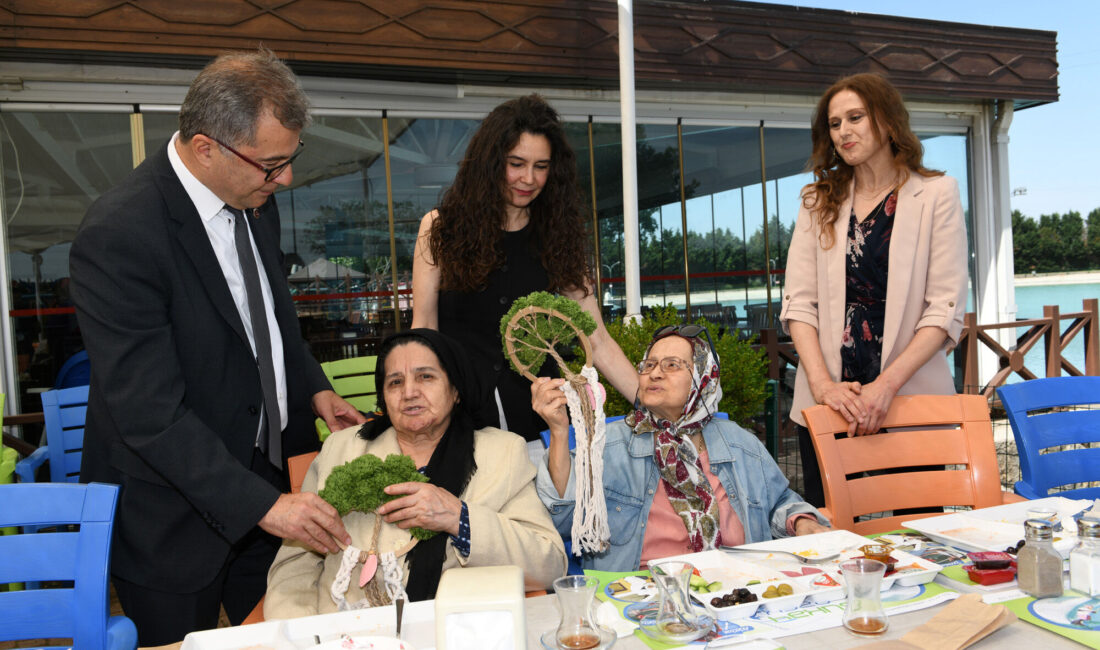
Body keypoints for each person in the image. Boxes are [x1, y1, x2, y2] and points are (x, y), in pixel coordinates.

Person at [69, 48, 366, 645]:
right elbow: (147, 414)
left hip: (265, 484)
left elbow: (271, 319)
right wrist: (265, 505)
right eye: (271, 164)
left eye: (289, 159)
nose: (284, 179)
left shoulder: (255, 198)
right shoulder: (118, 235)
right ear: (206, 148)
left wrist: (312, 388)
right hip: (170, 518)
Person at [264, 329, 566, 617]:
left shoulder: (501, 453)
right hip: (346, 632)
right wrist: (303, 634)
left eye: (426, 377)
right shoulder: (341, 450)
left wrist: (457, 518)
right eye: (395, 382)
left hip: (454, 632)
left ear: (456, 390)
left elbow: (548, 564)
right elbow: (295, 566)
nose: (409, 392)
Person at [780, 73, 969, 506]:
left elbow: (943, 309)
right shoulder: (816, 201)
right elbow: (799, 305)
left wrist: (885, 387)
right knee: (832, 544)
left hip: (909, 400)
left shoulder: (938, 193)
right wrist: (824, 386)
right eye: (834, 123)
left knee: (917, 538)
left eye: (855, 117)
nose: (843, 131)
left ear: (887, 122)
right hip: (829, 407)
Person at [412, 94, 637, 444]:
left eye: (541, 166)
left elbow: (597, 339)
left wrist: (653, 404)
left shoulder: (558, 236)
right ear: (490, 162)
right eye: (516, 163)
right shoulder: (440, 228)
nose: (528, 178)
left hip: (541, 422)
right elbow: (424, 330)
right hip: (461, 420)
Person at [533, 325, 829, 571]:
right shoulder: (607, 445)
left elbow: (780, 501)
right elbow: (563, 519)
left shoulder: (739, 443)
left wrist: (801, 522)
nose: (654, 373)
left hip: (739, 587)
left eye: (671, 365)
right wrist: (560, 432)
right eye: (648, 365)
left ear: (703, 378)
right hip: (641, 597)